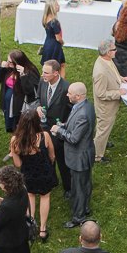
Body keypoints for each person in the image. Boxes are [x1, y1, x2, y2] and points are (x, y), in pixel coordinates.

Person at [52, 83, 96, 228]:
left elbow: (74, 138)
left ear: (78, 96)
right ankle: (85, 208)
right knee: (85, 183)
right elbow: (75, 126)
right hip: (84, 153)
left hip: (79, 157)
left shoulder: (83, 114)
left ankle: (78, 217)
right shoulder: (85, 105)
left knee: (78, 189)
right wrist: (64, 125)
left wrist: (59, 130)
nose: (67, 95)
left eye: (69, 93)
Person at [10, 110, 56, 242]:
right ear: (37, 122)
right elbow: (52, 155)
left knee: (30, 196)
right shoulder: (44, 136)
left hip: (28, 174)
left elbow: (18, 164)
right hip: (44, 172)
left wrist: (14, 152)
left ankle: (30, 224)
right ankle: (42, 229)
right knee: (45, 197)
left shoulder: (15, 140)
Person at [36, 60, 72, 197]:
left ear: (56, 73)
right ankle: (52, 179)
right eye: (43, 71)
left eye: (46, 72)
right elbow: (38, 98)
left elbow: (72, 110)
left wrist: (64, 125)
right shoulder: (43, 82)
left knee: (61, 159)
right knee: (46, 155)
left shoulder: (66, 88)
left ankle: (68, 187)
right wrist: (38, 107)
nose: (42, 75)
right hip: (44, 128)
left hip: (59, 130)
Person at [91, 38, 127, 162]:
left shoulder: (107, 60)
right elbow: (101, 94)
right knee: (103, 130)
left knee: (103, 129)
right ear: (107, 52)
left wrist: (121, 78)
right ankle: (97, 155)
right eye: (114, 49)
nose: (116, 51)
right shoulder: (100, 72)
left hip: (109, 107)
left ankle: (102, 143)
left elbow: (113, 73)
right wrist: (119, 93)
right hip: (105, 108)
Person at [0, 50, 40, 133]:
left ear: (18, 63)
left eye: (10, 62)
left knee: (19, 125)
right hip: (8, 103)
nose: (8, 63)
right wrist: (1, 68)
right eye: (7, 60)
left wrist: (23, 75)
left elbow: (29, 91)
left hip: (20, 105)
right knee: (10, 123)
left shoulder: (30, 71)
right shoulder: (9, 68)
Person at [40, 0, 66, 78]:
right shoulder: (55, 22)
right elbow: (58, 38)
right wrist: (62, 42)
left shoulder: (45, 18)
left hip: (47, 44)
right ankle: (62, 83)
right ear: (52, 8)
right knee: (61, 65)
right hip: (55, 46)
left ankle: (46, 79)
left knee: (48, 64)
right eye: (57, 5)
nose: (59, 6)